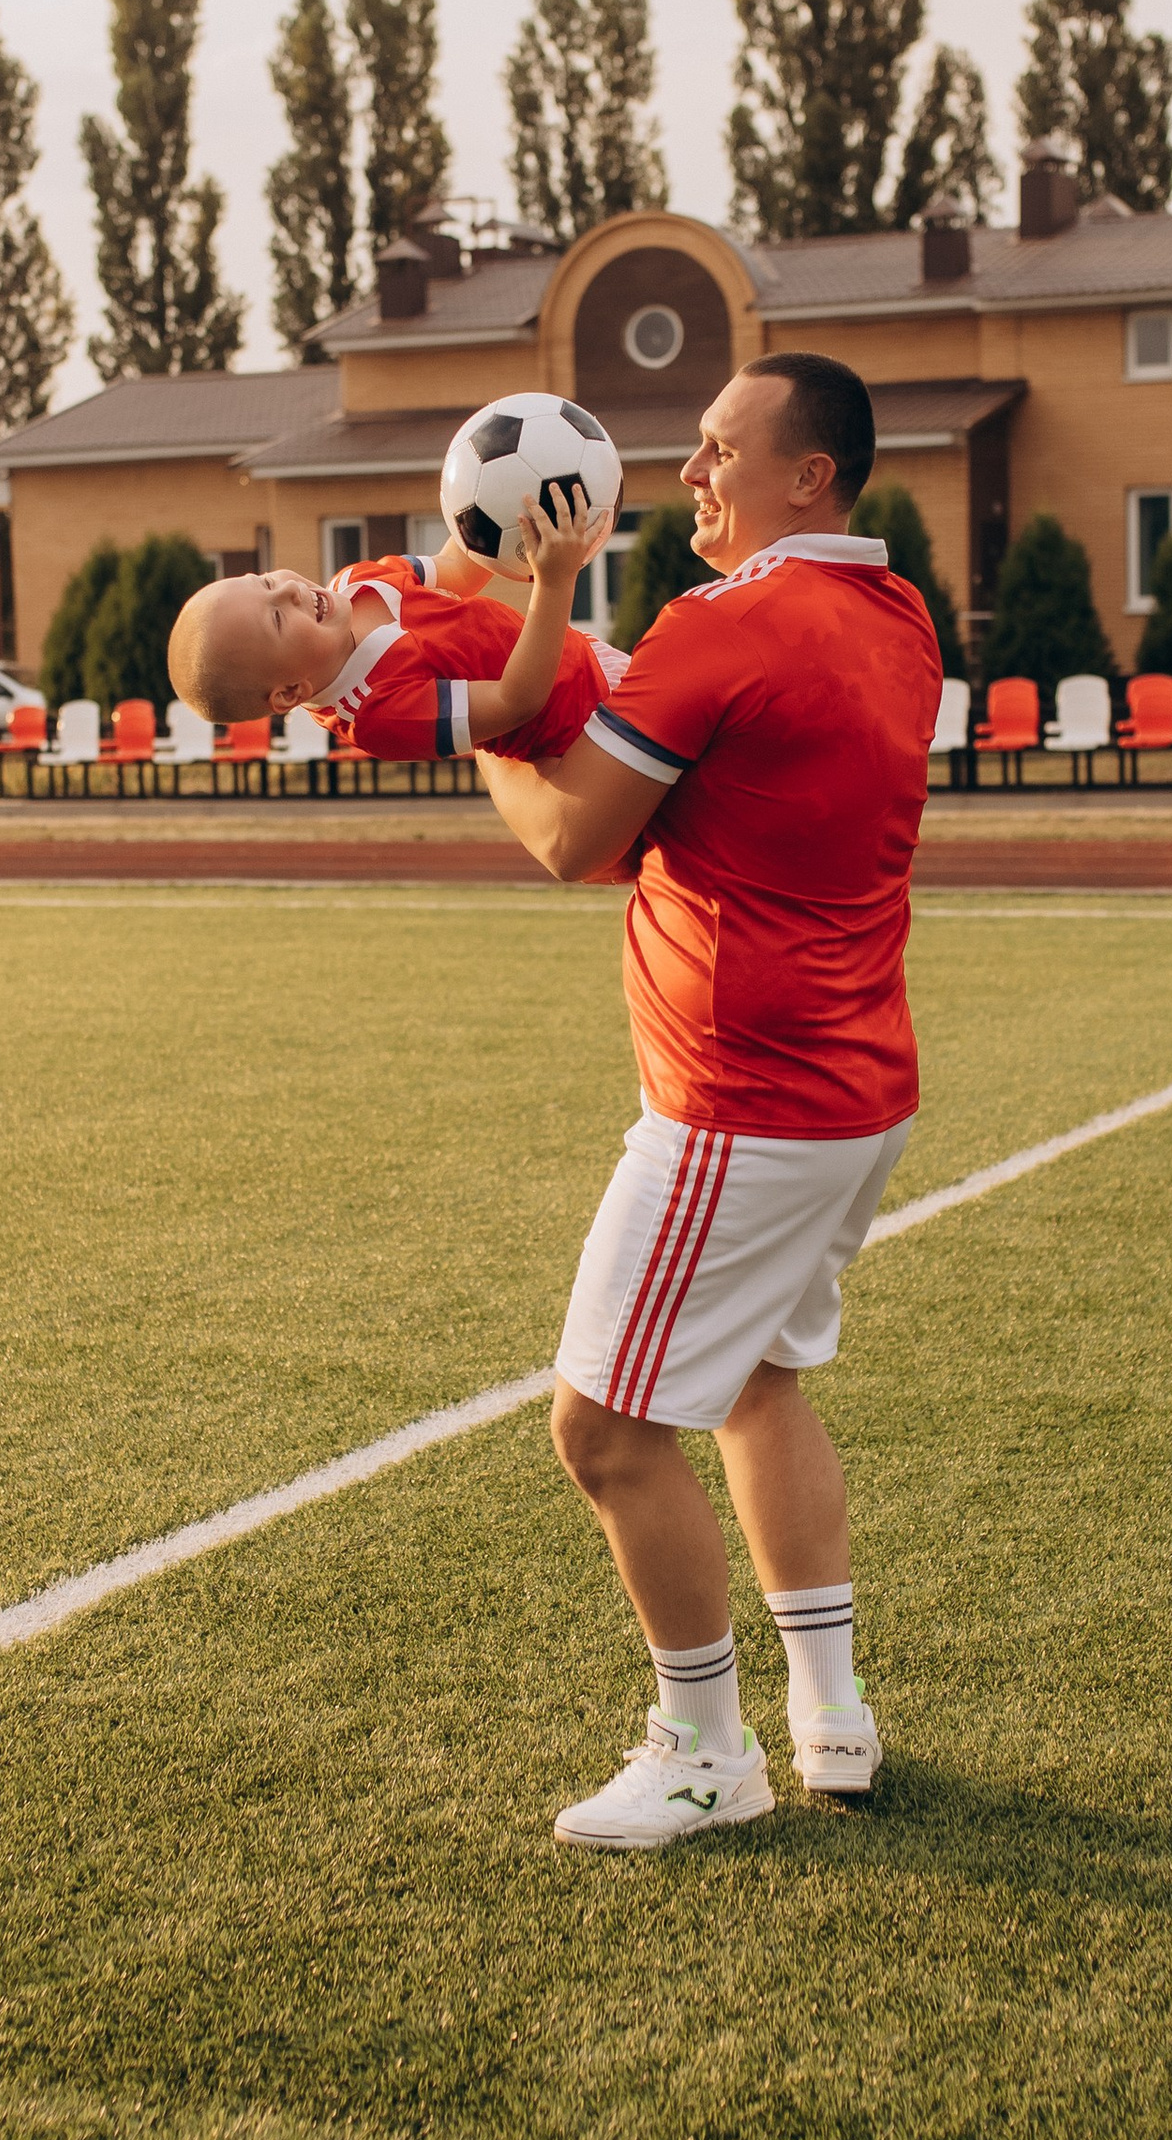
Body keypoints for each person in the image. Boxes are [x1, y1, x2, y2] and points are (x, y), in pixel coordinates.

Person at [474, 352, 943, 1850]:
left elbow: (573, 840)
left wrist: (480, 720)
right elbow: (703, 779)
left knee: (603, 1433)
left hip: (745, 1100)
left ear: (809, 478)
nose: (688, 473)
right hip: (856, 1085)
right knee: (753, 1383)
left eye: (717, 450)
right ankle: (834, 1715)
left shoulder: (719, 627)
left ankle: (702, 1749)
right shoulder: (897, 612)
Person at [167, 494, 616, 763]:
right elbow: (515, 701)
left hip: (591, 657)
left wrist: (489, 495)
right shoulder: (375, 713)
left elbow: (460, 569)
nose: (288, 591)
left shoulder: (354, 582)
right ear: (289, 693)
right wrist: (555, 582)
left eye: (266, 581)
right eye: (277, 619)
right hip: (589, 732)